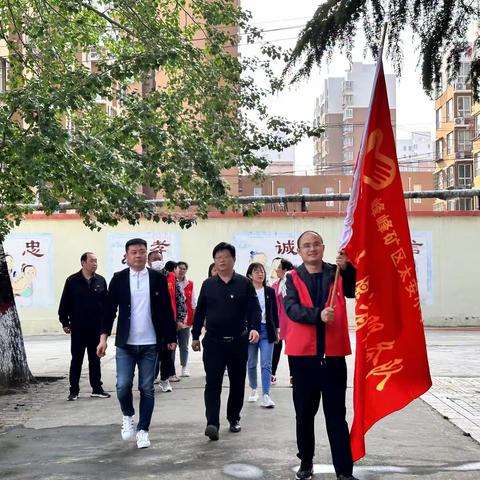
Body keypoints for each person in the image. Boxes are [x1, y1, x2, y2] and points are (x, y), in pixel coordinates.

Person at [284, 231, 358, 480]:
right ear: (299, 251)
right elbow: (291, 309)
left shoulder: (334, 272)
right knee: (304, 414)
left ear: (323, 247)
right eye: (306, 245)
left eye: (316, 244)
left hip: (333, 355)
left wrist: (348, 269)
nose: (312, 249)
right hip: (303, 358)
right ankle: (305, 461)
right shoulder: (290, 278)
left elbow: (352, 291)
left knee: (337, 416)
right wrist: (318, 315)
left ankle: (344, 472)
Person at [97, 238, 176, 449]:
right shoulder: (119, 279)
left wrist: (170, 338)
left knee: (146, 388)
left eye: (142, 251)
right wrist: (103, 338)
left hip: (150, 343)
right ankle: (128, 416)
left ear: (146, 254)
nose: (138, 255)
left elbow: (166, 310)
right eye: (134, 252)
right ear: (127, 256)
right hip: (126, 344)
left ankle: (143, 430)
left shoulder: (157, 278)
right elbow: (109, 311)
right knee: (122, 386)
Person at [192, 242, 261, 441]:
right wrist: (196, 336)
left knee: (237, 383)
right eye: (218, 257)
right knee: (212, 383)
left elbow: (254, 309)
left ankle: (234, 417)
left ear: (233, 260)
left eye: (225, 256)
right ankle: (212, 422)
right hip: (213, 342)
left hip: (238, 341)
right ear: (214, 261)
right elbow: (200, 312)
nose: (221, 260)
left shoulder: (244, 284)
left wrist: (255, 328)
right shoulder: (208, 284)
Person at [59, 252, 110, 401]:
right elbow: (65, 303)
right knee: (77, 359)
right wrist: (65, 322)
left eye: (96, 261)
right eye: (92, 261)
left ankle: (97, 388)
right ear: (83, 263)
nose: (95, 264)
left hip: (96, 328)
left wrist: (105, 327)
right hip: (78, 327)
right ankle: (74, 390)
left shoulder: (101, 280)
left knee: (95, 359)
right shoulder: (72, 281)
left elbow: (106, 305)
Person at [148, 252, 186, 392]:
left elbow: (179, 298)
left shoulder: (170, 276)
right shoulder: (145, 276)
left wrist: (180, 319)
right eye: (154, 259)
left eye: (159, 259)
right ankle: (150, 379)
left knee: (166, 352)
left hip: (167, 320)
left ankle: (164, 379)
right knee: (150, 353)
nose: (158, 261)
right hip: (149, 321)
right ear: (148, 261)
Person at [246, 262, 278, 408]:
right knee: (251, 363)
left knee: (266, 364)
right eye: (256, 271)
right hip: (251, 330)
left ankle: (266, 395)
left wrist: (277, 330)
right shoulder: (246, 291)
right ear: (250, 275)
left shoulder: (269, 291)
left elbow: (274, 312)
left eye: (262, 271)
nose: (260, 274)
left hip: (267, 330)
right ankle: (254, 389)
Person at [271, 258, 294, 385]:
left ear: (285, 270)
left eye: (279, 267)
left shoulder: (292, 283)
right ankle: (272, 374)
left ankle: (293, 376)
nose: (277, 270)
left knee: (291, 350)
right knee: (276, 348)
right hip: (277, 321)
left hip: (289, 321)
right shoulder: (275, 284)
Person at [175, 261, 196, 377]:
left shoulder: (190, 284)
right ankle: (170, 370)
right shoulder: (171, 282)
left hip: (186, 320)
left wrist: (193, 320)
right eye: (180, 268)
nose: (182, 271)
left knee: (184, 345)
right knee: (171, 346)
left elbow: (193, 303)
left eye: (184, 269)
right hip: (173, 319)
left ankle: (184, 367)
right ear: (175, 269)